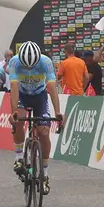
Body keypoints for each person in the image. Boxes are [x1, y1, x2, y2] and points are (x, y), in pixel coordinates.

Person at [8, 42, 63, 195]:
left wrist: (58, 112)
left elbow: (52, 87)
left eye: (32, 66)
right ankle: (19, 157)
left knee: (44, 132)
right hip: (22, 95)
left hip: (40, 96)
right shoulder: (14, 62)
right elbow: (13, 88)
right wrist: (13, 112)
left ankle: (44, 174)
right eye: (26, 67)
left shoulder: (46, 62)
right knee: (19, 119)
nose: (30, 69)